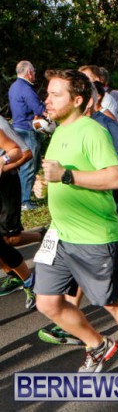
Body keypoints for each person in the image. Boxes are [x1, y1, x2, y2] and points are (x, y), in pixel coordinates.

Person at [33, 69, 118, 380]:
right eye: (47, 93)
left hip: (93, 236)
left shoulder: (92, 131)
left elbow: (115, 178)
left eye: (55, 94)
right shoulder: (59, 131)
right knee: (47, 302)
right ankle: (97, 344)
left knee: (110, 301)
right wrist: (43, 183)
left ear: (77, 100)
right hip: (60, 234)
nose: (47, 100)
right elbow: (59, 172)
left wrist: (66, 176)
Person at [0, 127, 36, 309]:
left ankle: (29, 281)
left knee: (5, 241)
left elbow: (17, 151)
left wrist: (3, 161)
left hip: (4, 186)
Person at [8, 61, 46, 211]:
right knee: (30, 166)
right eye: (34, 71)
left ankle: (23, 194)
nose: (35, 74)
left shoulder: (13, 87)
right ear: (29, 72)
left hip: (17, 128)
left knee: (27, 165)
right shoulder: (26, 88)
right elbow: (39, 108)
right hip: (28, 129)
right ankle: (24, 200)